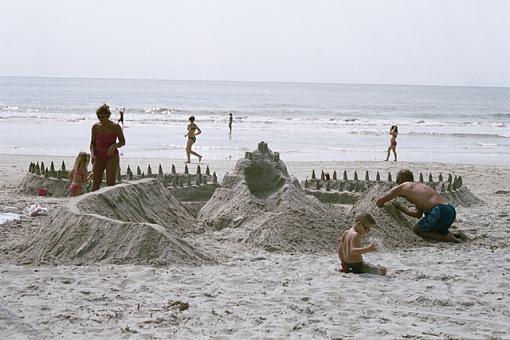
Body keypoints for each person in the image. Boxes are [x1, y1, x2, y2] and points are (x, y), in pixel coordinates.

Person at [376, 169, 466, 243]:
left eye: (397, 179)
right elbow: (417, 214)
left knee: (418, 230)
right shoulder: (419, 187)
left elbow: (381, 200)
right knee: (435, 230)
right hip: (449, 209)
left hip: (438, 211)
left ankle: (448, 239)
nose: (396, 181)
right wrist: (400, 207)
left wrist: (379, 203)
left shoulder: (404, 186)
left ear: (402, 179)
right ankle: (457, 235)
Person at [90, 104, 126, 191]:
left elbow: (123, 142)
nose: (100, 119)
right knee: (95, 184)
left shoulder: (116, 127)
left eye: (102, 116)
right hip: (98, 155)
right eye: (98, 116)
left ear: (108, 115)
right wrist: (92, 154)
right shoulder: (95, 127)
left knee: (110, 183)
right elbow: (92, 143)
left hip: (111, 156)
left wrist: (114, 146)